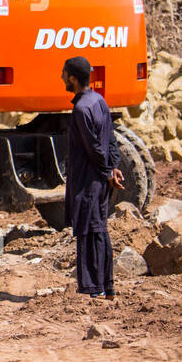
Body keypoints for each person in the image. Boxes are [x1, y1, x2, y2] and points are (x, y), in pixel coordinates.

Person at [61, 55, 124, 300]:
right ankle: (107, 286)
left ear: (73, 78)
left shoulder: (81, 109)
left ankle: (93, 289)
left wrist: (108, 170)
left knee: (89, 231)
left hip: (89, 180)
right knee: (99, 230)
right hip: (99, 177)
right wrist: (114, 166)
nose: (62, 77)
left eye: (64, 73)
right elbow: (111, 138)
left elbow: (94, 147)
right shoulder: (99, 101)